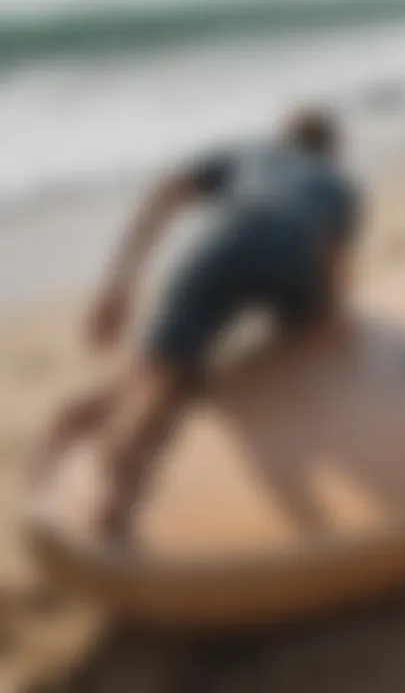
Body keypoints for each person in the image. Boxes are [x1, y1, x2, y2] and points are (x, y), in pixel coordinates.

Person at [33, 106, 364, 542]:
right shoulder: (338, 184)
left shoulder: (250, 152)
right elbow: (332, 261)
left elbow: (164, 194)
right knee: (306, 333)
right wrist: (331, 325)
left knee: (160, 372)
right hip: (292, 249)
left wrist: (119, 284)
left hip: (221, 242)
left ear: (284, 138)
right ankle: (116, 458)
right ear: (333, 151)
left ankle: (76, 423)